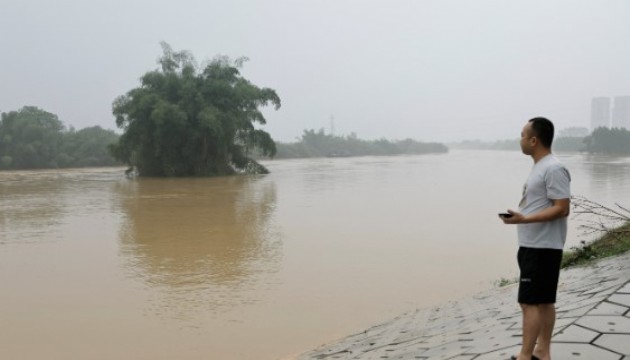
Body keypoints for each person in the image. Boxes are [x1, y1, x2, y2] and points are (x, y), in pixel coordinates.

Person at [500, 117, 571, 360]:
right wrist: (522, 217)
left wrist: (523, 220)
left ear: (533, 140)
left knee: (529, 303)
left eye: (522, 135)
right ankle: (542, 352)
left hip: (541, 247)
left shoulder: (553, 168)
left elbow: (562, 208)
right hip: (535, 245)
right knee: (543, 302)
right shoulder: (541, 166)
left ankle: (525, 356)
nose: (519, 140)